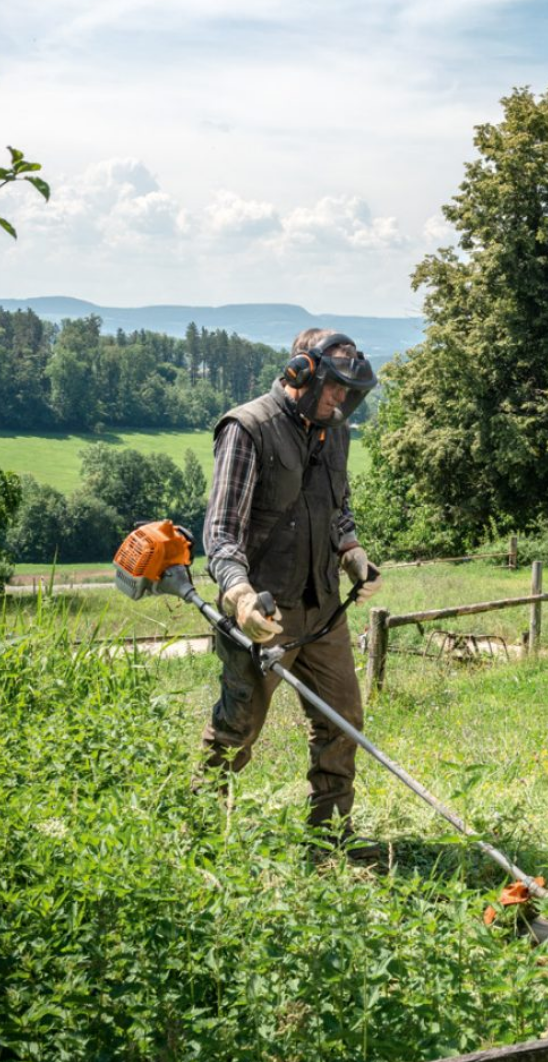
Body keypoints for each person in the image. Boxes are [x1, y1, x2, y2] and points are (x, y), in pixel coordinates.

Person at [200, 328, 382, 861]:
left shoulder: (337, 430)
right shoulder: (248, 428)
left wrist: (351, 552)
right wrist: (239, 594)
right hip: (263, 612)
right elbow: (223, 532)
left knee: (342, 720)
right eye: (334, 387)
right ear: (303, 373)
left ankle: (328, 838)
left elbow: (337, 505)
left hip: (322, 605)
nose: (341, 399)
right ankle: (197, 833)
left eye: (350, 391)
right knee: (237, 729)